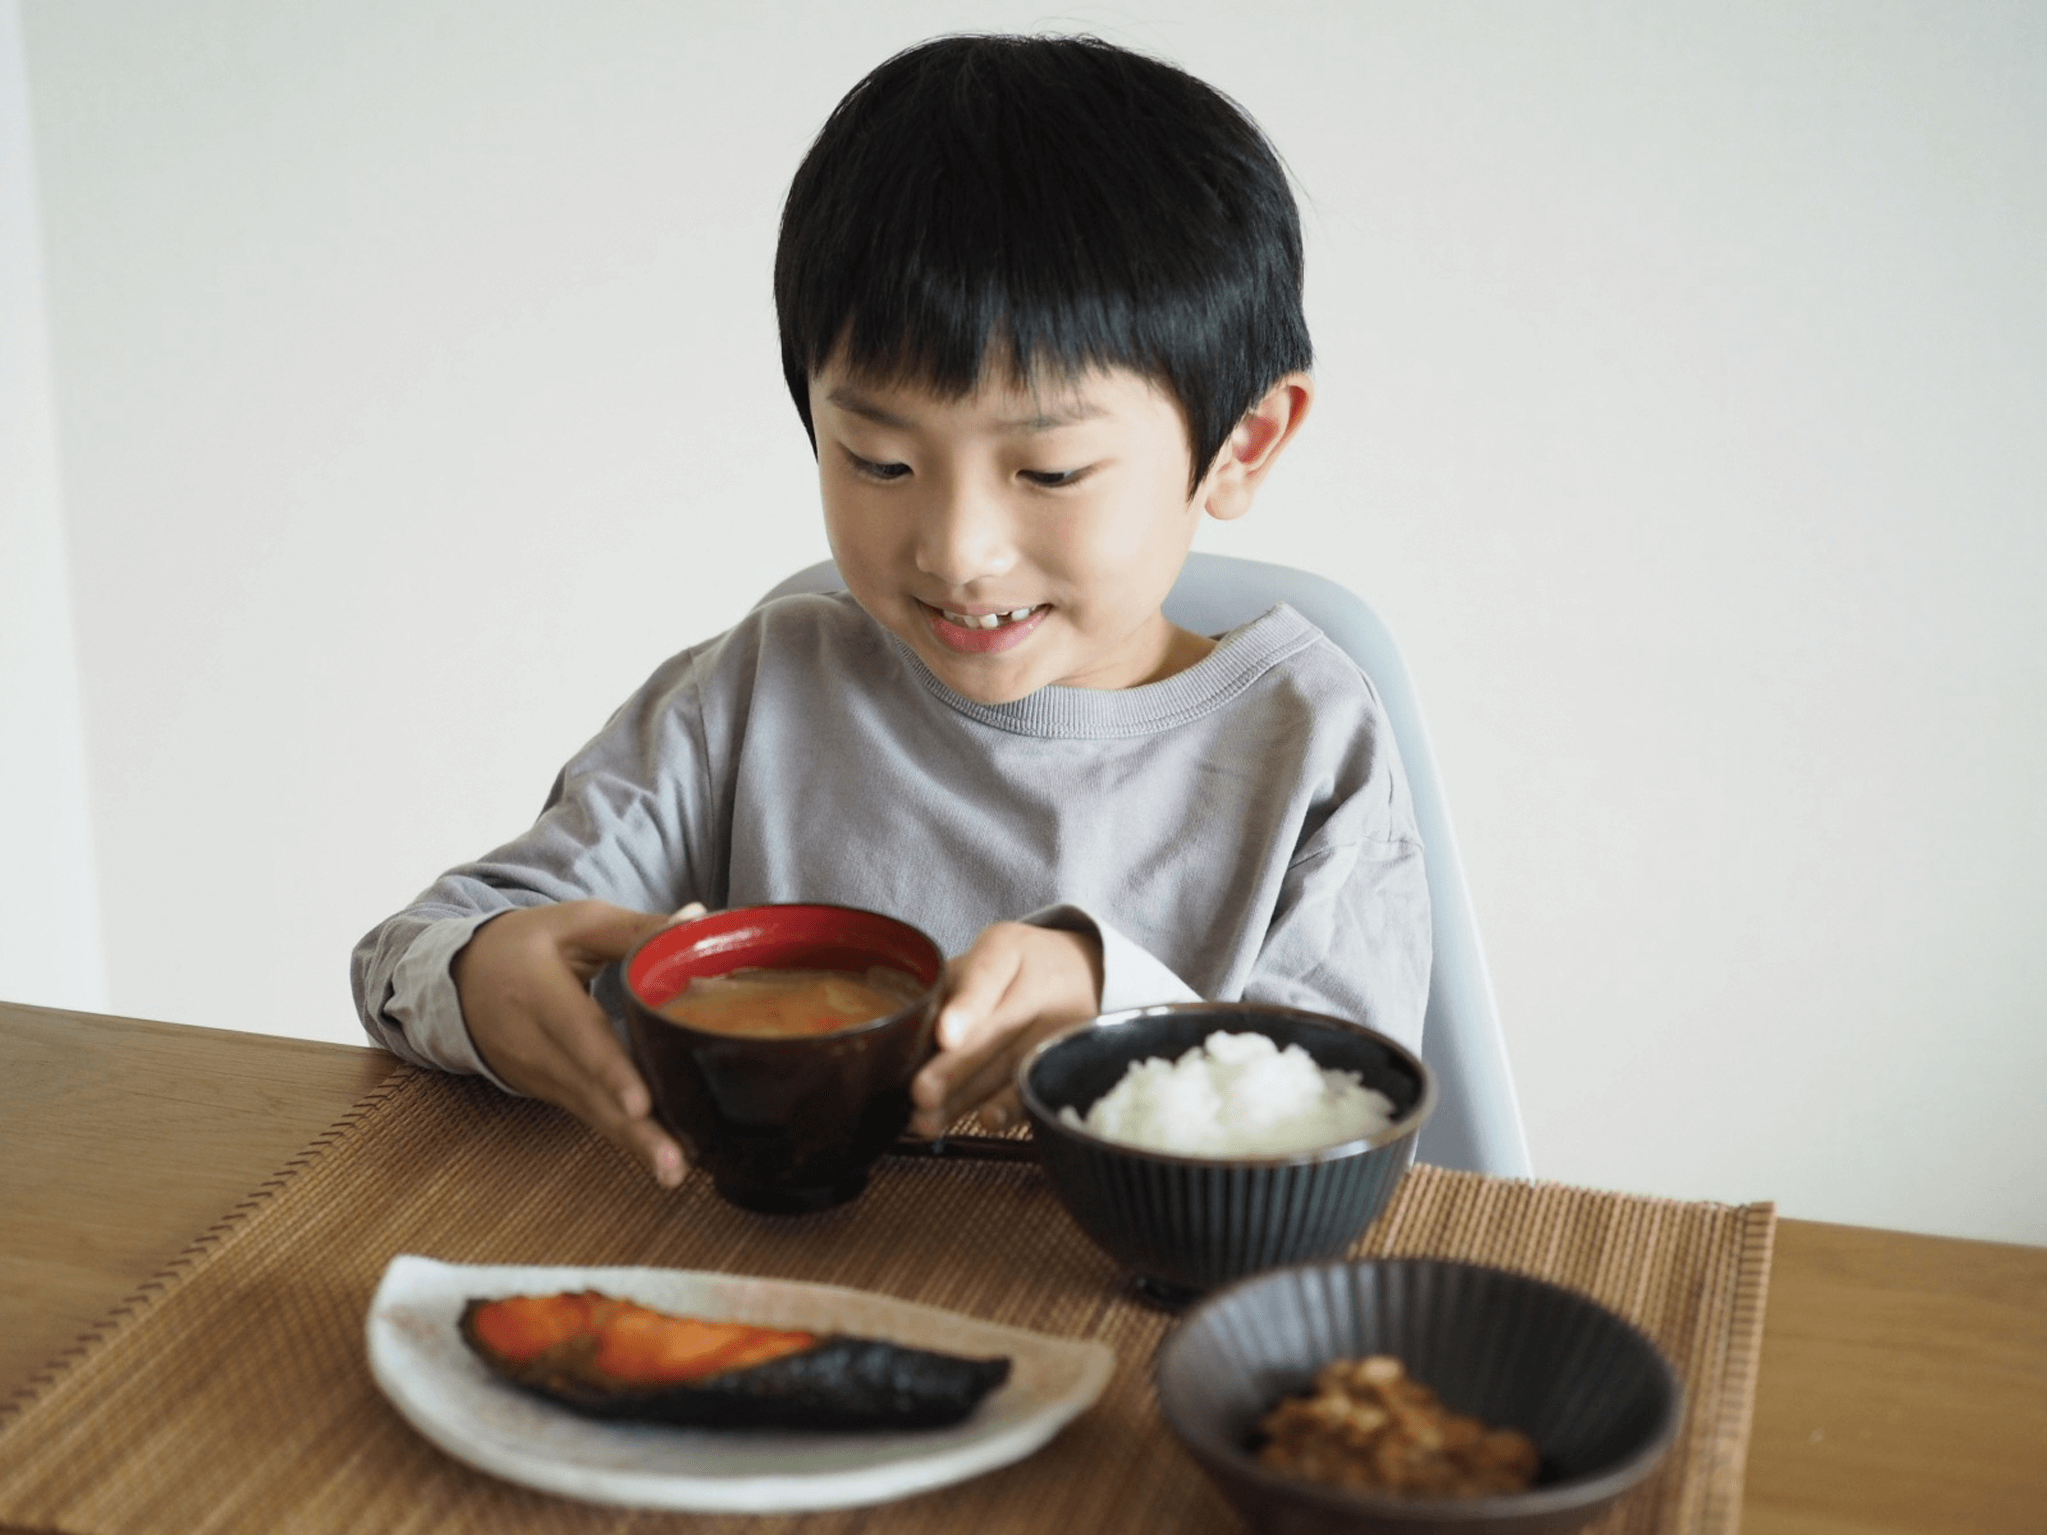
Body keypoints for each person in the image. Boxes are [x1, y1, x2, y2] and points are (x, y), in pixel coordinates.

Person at [350, 34, 1430, 1189]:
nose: (956, 551)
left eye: (1050, 472)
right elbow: (405, 953)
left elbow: (1339, 1120)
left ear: (1240, 445)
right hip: (761, 1293)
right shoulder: (762, 690)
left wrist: (1115, 1004)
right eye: (875, 461)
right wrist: (482, 972)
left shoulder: (1308, 744)